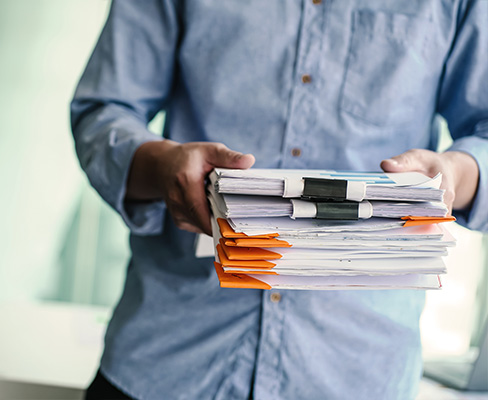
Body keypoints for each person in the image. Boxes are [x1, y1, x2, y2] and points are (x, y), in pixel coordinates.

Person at [71, 1, 487, 399]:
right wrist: (164, 167)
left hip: (357, 370)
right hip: (167, 360)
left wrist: (455, 174)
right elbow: (103, 111)